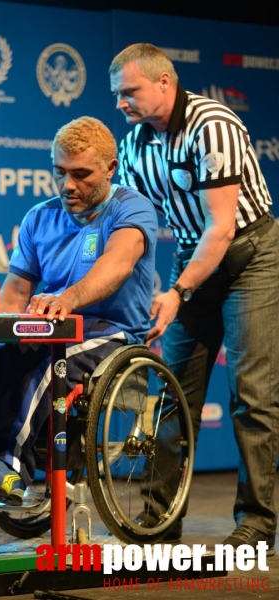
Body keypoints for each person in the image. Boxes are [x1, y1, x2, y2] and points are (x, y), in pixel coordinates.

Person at [0, 116, 158, 505]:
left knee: (48, 358)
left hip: (112, 332)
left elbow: (116, 265)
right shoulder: (39, 217)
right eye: (60, 172)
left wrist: (66, 298)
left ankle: (8, 466)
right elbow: (15, 292)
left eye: (82, 174)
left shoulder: (131, 208)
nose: (68, 185)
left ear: (110, 168)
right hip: (55, 325)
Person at [109, 42, 279, 555]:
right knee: (171, 395)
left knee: (253, 396)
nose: (121, 104)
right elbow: (134, 226)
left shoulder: (214, 124)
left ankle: (257, 523)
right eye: (117, 95)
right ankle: (160, 517)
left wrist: (178, 291)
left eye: (129, 92)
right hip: (192, 256)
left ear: (165, 83)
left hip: (251, 255)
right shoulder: (137, 143)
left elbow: (221, 229)